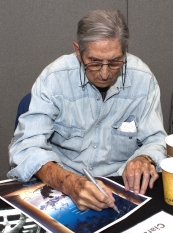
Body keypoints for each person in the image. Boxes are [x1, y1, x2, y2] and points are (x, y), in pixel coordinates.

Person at [7, 9, 167, 212]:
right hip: (63, 188)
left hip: (121, 188)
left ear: (125, 50)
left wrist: (144, 158)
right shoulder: (54, 79)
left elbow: (156, 140)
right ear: (77, 51)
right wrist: (70, 183)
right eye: (95, 61)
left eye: (115, 61)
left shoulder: (143, 80)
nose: (105, 73)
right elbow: (25, 147)